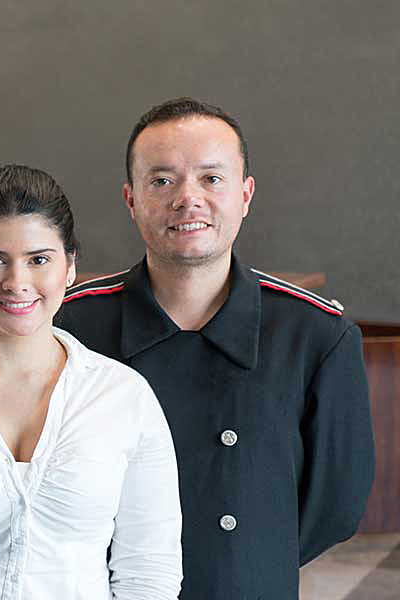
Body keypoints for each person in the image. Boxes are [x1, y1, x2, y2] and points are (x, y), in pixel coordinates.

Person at [56, 97, 374, 599]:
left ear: (245, 194)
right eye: (162, 181)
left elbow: (337, 504)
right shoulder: (70, 325)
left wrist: (250, 556)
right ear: (130, 199)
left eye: (211, 178)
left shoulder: (315, 335)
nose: (188, 198)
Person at [0, 165, 181, 599]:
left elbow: (148, 574)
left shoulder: (121, 396)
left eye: (39, 260)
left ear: (71, 267)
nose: (17, 282)